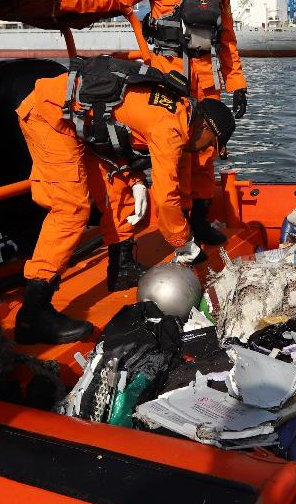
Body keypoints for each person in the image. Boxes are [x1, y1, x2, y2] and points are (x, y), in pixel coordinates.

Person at [19, 0, 248, 247]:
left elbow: (227, 42)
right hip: (170, 82)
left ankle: (200, 218)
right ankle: (179, 221)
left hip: (206, 84)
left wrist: (237, 84)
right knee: (175, 156)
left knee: (206, 155)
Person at [14, 56, 236, 344]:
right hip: (50, 117)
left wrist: (133, 178)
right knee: (71, 208)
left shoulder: (177, 109)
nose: (203, 151)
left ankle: (121, 269)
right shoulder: (171, 128)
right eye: (209, 145)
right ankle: (33, 313)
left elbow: (114, 131)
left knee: (119, 183)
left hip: (78, 116)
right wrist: (184, 241)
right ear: (205, 128)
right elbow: (167, 197)